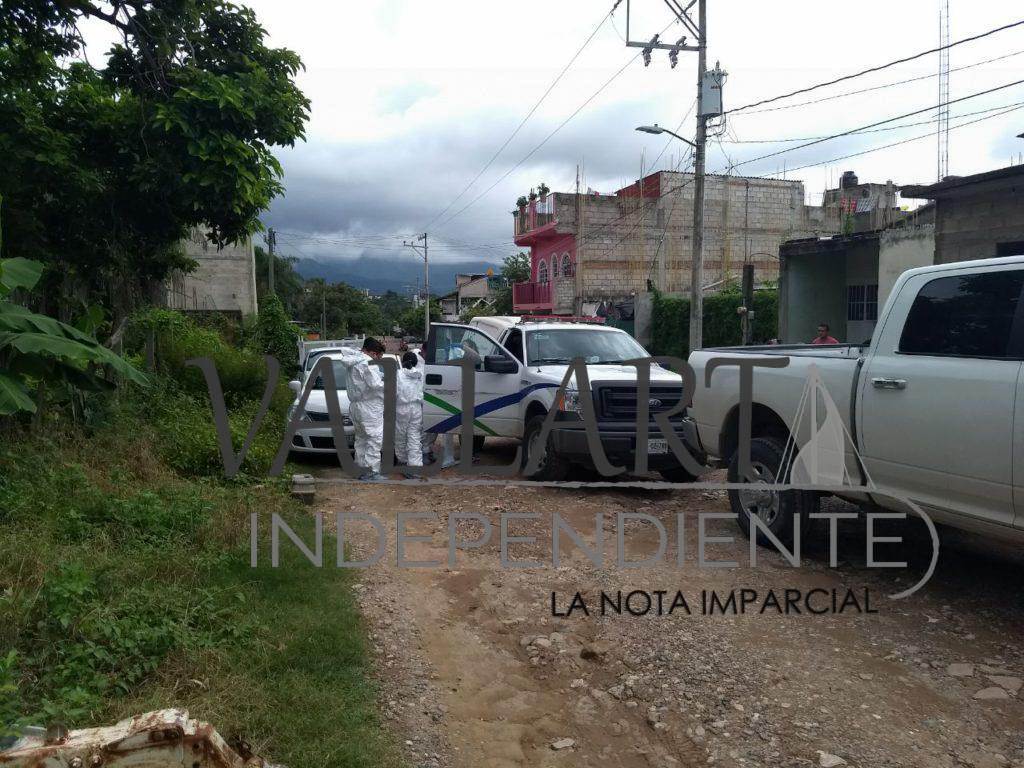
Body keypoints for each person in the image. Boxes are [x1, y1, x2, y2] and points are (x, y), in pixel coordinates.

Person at [338, 337, 387, 481]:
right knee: (374, 438)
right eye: (378, 356)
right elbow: (376, 385)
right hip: (369, 407)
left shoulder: (354, 362)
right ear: (372, 352)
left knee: (361, 438)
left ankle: (360, 469)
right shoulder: (368, 363)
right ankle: (371, 471)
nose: (378, 359)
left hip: (356, 405)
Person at [396, 350, 425, 478]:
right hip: (417, 407)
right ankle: (415, 468)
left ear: (402, 362)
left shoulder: (397, 374)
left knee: (401, 436)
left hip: (402, 408)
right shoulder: (420, 375)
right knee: (414, 437)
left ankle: (402, 462)